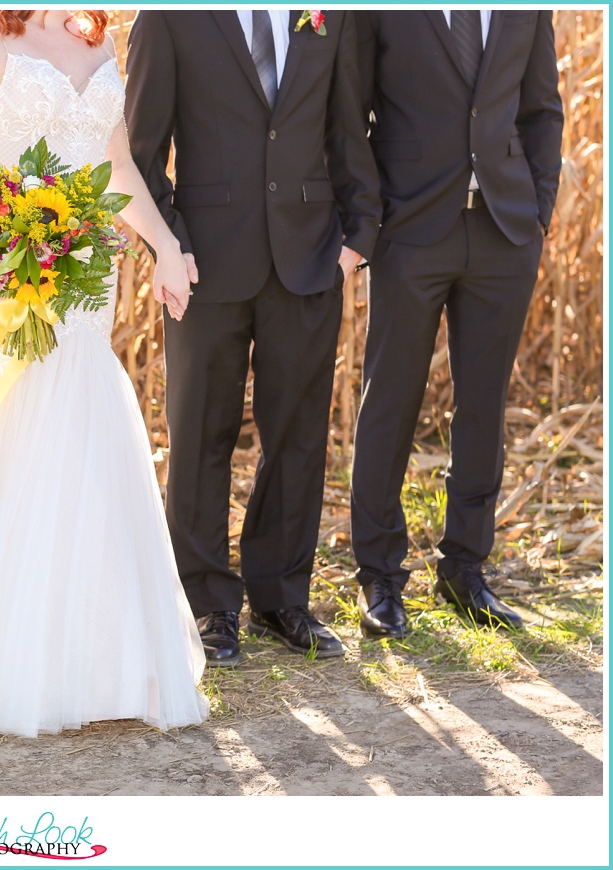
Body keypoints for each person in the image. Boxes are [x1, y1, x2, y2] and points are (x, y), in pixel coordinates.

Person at [0, 9, 209, 747]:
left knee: (88, 408)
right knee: (28, 414)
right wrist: (11, 243)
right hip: (11, 258)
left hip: (88, 266)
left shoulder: (96, 36)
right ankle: (13, 659)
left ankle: (102, 661)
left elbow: (115, 162)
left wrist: (165, 245)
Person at [126, 10, 381, 665]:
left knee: (297, 435)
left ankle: (281, 600)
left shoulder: (328, 16)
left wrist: (356, 241)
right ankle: (208, 607)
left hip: (310, 258)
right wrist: (170, 245)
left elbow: (349, 127)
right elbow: (141, 150)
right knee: (201, 433)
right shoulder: (168, 18)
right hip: (203, 263)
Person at [350, 10, 563, 636]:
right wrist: (373, 218)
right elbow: (350, 114)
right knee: (389, 401)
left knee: (483, 406)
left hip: (503, 231)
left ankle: (465, 570)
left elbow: (542, 110)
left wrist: (538, 211)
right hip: (409, 232)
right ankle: (380, 578)